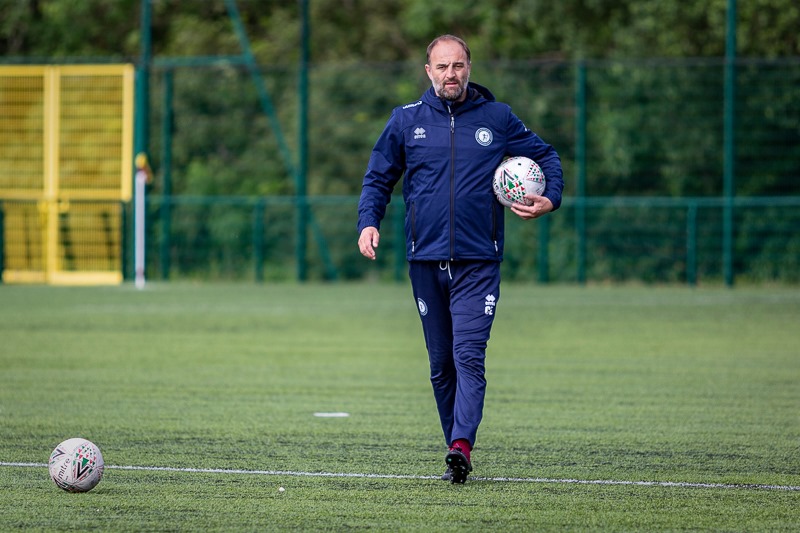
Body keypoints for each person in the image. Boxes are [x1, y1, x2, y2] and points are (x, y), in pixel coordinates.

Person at [357, 34, 564, 484]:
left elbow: (545, 155)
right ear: (428, 72)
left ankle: (460, 445)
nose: (451, 73)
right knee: (440, 363)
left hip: (478, 261)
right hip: (425, 261)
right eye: (442, 66)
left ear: (469, 67)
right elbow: (378, 177)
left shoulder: (498, 117)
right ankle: (456, 446)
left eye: (458, 65)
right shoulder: (405, 121)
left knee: (469, 355)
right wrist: (368, 222)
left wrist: (551, 198)